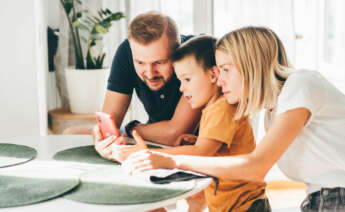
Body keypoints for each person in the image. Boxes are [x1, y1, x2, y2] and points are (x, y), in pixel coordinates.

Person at [125, 26, 345, 212]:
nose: (219, 81)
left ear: (250, 65)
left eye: (226, 70)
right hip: (320, 197)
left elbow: (255, 167)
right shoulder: (274, 112)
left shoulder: (300, 85)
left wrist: (172, 160)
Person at [111, 35, 270, 212]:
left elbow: (202, 152)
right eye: (180, 81)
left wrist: (150, 154)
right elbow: (211, 147)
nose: (181, 88)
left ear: (213, 75)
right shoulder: (213, 108)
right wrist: (197, 140)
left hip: (246, 207)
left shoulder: (223, 107)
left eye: (187, 80)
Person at [90, 11, 201, 161]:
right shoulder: (126, 52)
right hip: (152, 138)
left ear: (178, 50)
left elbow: (176, 133)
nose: (150, 73)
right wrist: (102, 140)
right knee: (72, 132)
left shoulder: (195, 54)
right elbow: (108, 122)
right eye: (140, 62)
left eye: (159, 62)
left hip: (191, 148)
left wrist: (131, 129)